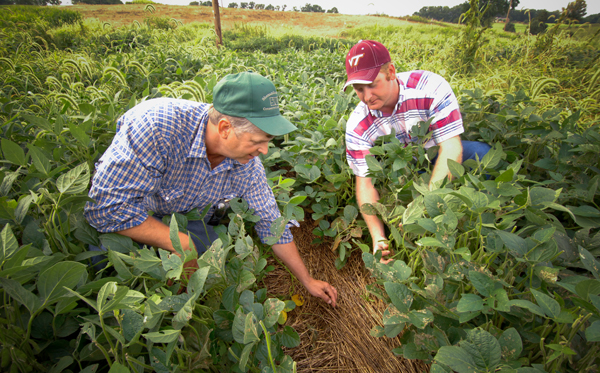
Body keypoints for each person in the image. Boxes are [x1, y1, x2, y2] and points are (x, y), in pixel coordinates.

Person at [85, 71, 338, 307]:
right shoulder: (157, 126)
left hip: (183, 216)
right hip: (138, 214)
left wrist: (308, 280)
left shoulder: (247, 165)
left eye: (267, 142)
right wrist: (181, 244)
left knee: (215, 253)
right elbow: (106, 209)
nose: (264, 151)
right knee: (108, 262)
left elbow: (271, 224)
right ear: (225, 128)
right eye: (258, 142)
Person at [343, 40, 491, 262]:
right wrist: (378, 238)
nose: (366, 96)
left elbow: (451, 147)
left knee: (483, 154)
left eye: (372, 84)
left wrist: (426, 205)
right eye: (359, 89)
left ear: (391, 72)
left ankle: (484, 211)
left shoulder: (431, 88)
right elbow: (365, 184)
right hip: (402, 170)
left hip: (437, 153)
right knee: (407, 190)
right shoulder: (358, 124)